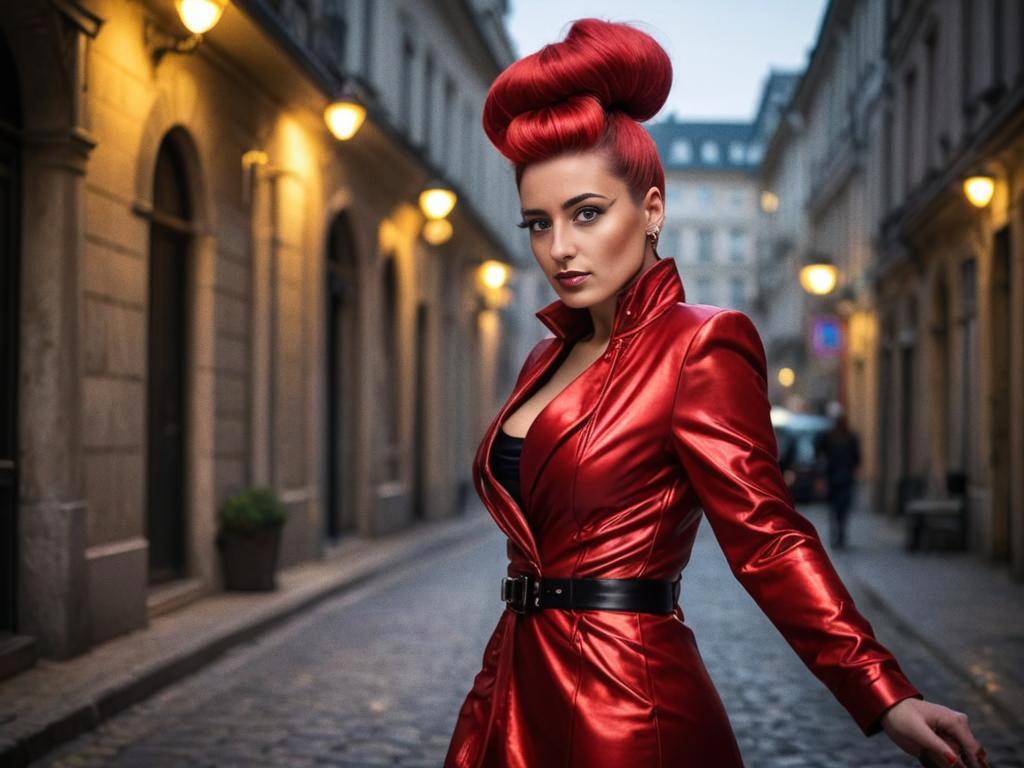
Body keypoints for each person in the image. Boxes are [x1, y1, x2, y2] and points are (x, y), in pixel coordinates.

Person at [444, 18, 986, 768]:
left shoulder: (702, 343)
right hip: (508, 687)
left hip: (625, 703)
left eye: (587, 213)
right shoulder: (543, 356)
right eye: (539, 222)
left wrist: (881, 690)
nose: (560, 247)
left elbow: (766, 536)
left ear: (653, 210)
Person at [814, 402, 862, 549]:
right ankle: (840, 535)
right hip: (843, 477)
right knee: (842, 508)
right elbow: (857, 459)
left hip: (835, 477)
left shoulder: (830, 436)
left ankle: (838, 536)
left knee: (835, 509)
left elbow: (817, 451)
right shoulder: (849, 437)